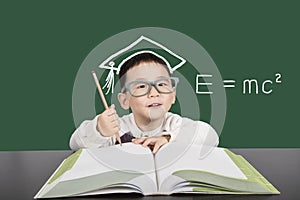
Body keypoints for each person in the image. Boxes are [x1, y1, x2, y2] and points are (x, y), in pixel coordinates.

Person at [70, 52, 219, 153]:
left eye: (161, 84)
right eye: (141, 86)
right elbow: (75, 144)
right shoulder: (117, 127)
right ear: (124, 100)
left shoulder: (174, 124)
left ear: (173, 96)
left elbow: (210, 137)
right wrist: (100, 130)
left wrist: (167, 138)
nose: (154, 93)